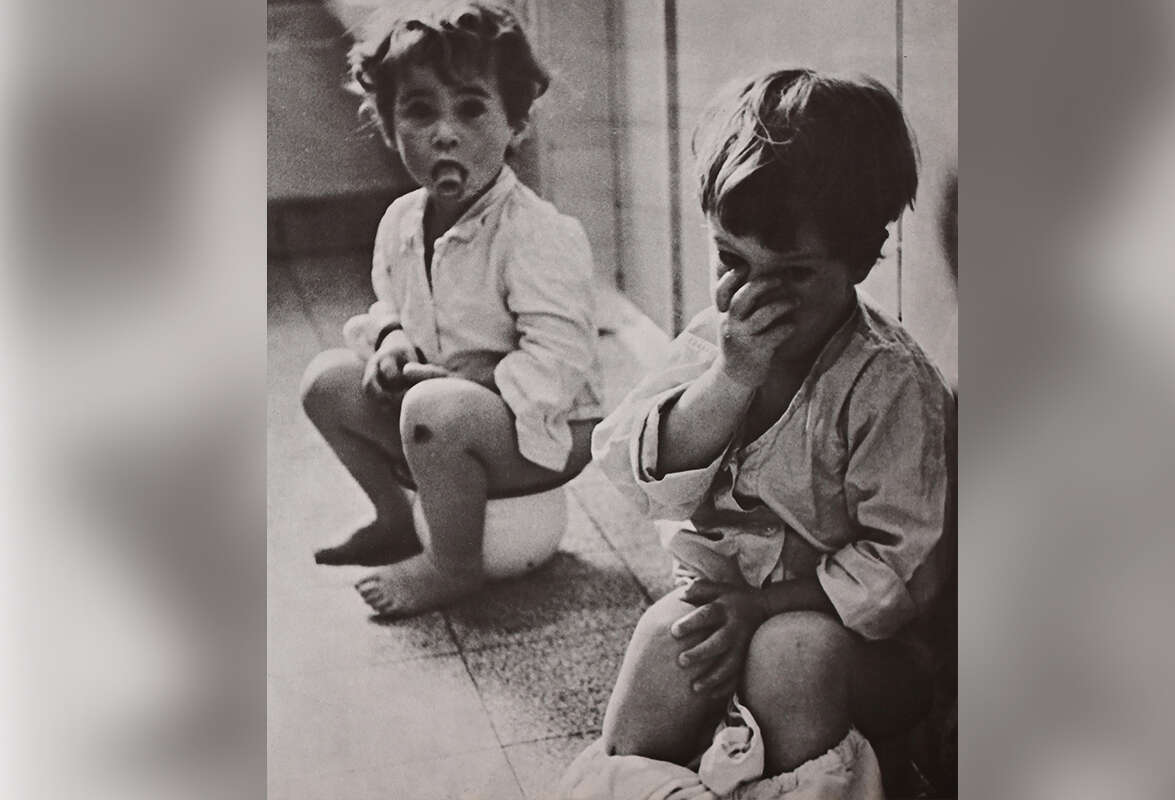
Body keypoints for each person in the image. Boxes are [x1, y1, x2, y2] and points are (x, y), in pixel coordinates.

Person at [585, 68, 955, 793]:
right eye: (731, 260)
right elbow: (636, 470)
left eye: (791, 275)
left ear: (860, 259)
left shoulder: (888, 384)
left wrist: (764, 607)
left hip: (856, 646)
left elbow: (901, 570)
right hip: (728, 606)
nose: (752, 296)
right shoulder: (713, 343)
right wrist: (729, 380)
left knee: (789, 656)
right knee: (663, 642)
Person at [300, 1, 602, 618]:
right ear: (388, 127)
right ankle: (396, 519)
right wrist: (391, 338)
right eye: (418, 111)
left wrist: (477, 382)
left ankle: (453, 565)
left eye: (470, 108)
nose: (444, 132)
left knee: (433, 408)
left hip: (542, 428)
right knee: (326, 383)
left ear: (516, 122)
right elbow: (390, 299)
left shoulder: (537, 234)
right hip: (441, 418)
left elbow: (562, 359)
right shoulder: (400, 222)